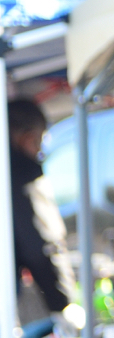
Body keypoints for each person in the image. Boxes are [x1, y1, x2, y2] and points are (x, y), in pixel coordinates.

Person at [6, 98, 69, 320]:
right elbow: (35, 244)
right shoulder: (16, 176)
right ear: (27, 137)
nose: (39, 151)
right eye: (38, 142)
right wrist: (61, 305)